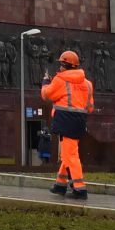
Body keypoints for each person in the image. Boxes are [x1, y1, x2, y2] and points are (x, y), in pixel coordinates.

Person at [40, 50, 95, 200]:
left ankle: (79, 188)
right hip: (79, 122)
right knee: (67, 153)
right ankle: (60, 184)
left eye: (61, 64)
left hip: (65, 121)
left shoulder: (60, 80)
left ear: (65, 65)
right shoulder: (88, 84)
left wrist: (46, 82)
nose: (59, 68)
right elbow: (90, 107)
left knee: (70, 155)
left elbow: (46, 95)